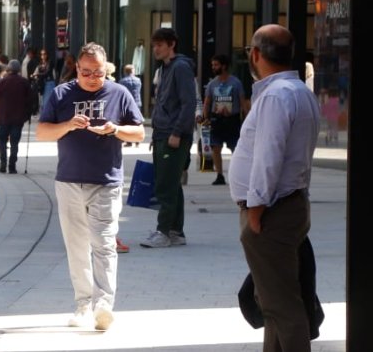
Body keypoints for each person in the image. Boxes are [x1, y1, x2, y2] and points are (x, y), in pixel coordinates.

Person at [36, 43, 145, 332]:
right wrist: (69, 125)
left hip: (106, 180)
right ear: (77, 69)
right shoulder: (61, 93)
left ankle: (103, 305)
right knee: (76, 246)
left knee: (104, 242)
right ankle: (83, 304)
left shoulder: (119, 93)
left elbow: (139, 131)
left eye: (98, 72)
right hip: (69, 179)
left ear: (106, 68)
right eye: (86, 72)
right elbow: (42, 132)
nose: (92, 78)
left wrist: (115, 130)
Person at [230, 25, 320, 352]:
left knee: (281, 305)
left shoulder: (277, 95)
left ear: (256, 54)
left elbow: (269, 158)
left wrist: (256, 210)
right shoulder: (299, 92)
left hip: (272, 212)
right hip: (287, 206)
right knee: (274, 302)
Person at [141, 28, 198, 248]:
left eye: (160, 45)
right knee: (172, 184)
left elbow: (188, 103)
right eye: (154, 45)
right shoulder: (165, 68)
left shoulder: (180, 67)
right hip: (163, 133)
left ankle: (163, 231)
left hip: (173, 135)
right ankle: (176, 232)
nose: (156, 49)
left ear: (171, 44)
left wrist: (176, 133)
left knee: (164, 186)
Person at [204, 54, 249, 186]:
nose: (213, 67)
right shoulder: (212, 84)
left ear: (224, 66)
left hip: (232, 120)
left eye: (216, 65)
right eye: (213, 65)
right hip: (216, 119)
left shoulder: (236, 83)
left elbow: (242, 102)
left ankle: (236, 175)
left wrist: (247, 118)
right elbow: (207, 102)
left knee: (235, 148)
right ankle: (219, 175)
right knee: (215, 148)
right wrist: (205, 118)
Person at [0, 60, 34, 174]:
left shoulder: (2, 82)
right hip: (18, 117)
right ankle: (12, 165)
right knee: (14, 142)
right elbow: (30, 101)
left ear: (9, 69)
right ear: (19, 70)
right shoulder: (24, 82)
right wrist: (28, 114)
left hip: (4, 117)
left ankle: (3, 162)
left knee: (2, 140)